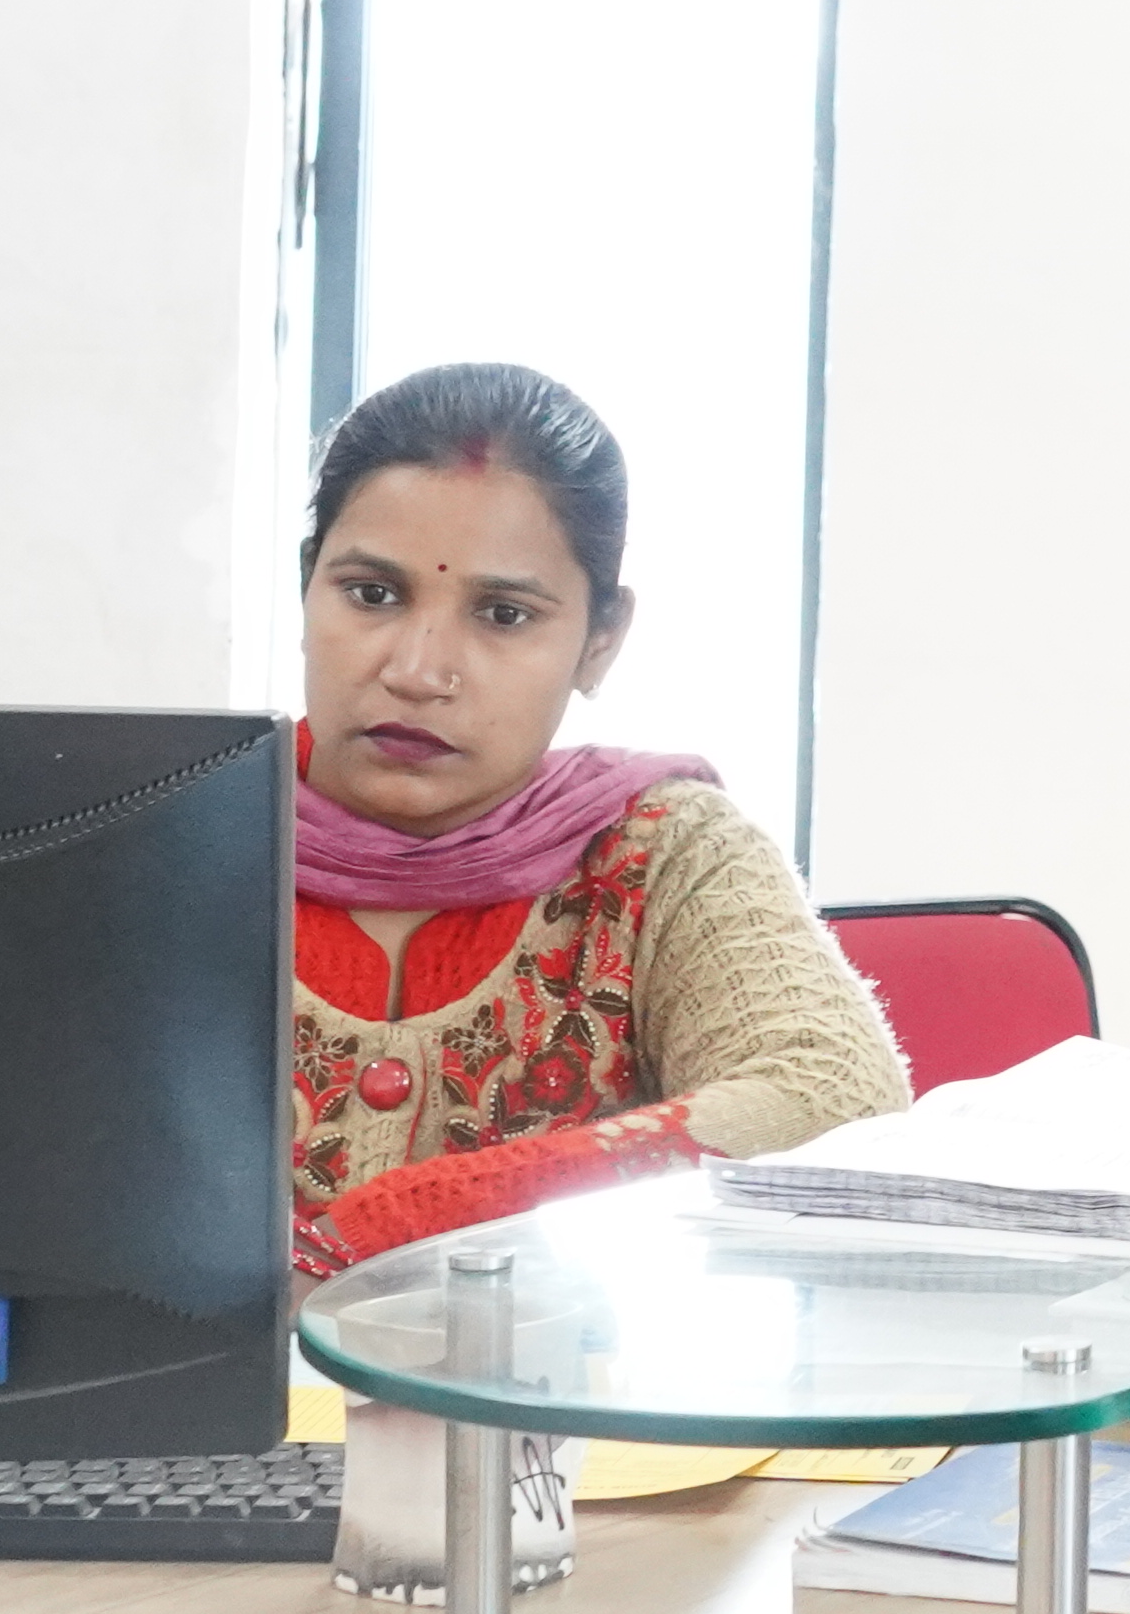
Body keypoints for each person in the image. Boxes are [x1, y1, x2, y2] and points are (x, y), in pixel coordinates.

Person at [286, 360, 909, 1277]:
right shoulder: (164, 837)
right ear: (307, 587)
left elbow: (834, 1097)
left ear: (601, 641)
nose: (417, 670)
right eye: (372, 594)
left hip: (572, 1371)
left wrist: (433, 1209)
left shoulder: (660, 853)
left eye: (503, 614)